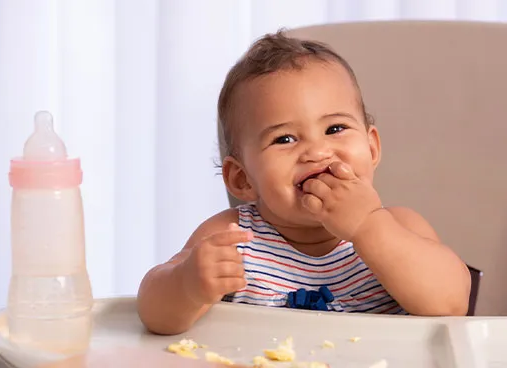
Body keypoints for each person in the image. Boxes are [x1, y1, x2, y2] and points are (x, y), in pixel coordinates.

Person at [136, 29, 471, 335]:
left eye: (335, 129)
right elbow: (153, 312)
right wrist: (187, 285)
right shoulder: (232, 238)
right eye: (284, 139)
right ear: (241, 178)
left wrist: (368, 225)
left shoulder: (400, 227)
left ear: (370, 148)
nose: (317, 151)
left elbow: (451, 305)